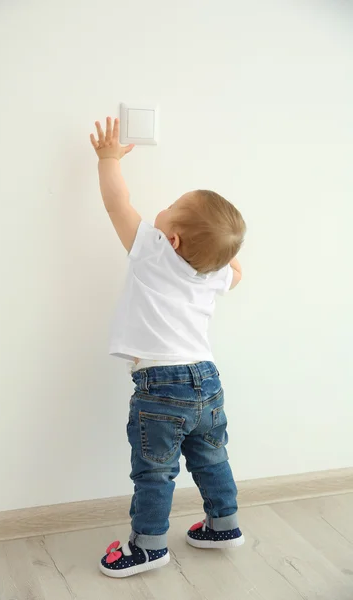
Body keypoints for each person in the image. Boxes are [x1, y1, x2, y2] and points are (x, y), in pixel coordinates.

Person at [90, 117, 246, 578]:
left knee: (156, 472)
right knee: (212, 456)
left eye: (174, 205)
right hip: (207, 381)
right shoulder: (214, 274)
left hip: (161, 387)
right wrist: (221, 246)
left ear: (171, 239)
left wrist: (108, 159)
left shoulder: (153, 252)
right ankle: (224, 523)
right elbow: (237, 272)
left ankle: (149, 547)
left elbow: (118, 204)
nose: (167, 204)